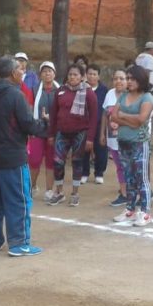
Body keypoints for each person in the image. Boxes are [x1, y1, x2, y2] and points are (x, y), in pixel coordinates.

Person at [0, 56, 49, 257]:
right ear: (12, 73)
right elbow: (27, 124)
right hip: (13, 158)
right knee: (19, 200)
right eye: (19, 69)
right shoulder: (15, 96)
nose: (22, 72)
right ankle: (19, 243)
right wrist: (44, 123)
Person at [47, 64, 98, 207]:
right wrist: (51, 134)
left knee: (77, 162)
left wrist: (90, 138)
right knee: (57, 162)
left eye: (76, 75)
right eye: (70, 74)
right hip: (61, 133)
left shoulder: (88, 93)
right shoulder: (60, 91)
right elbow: (53, 114)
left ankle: (75, 193)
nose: (72, 77)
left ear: (82, 77)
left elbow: (94, 117)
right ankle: (59, 192)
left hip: (80, 133)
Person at [111, 66, 153, 226]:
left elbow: (141, 120)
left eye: (132, 78)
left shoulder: (147, 97)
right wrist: (128, 119)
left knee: (141, 178)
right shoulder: (123, 96)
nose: (128, 81)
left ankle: (145, 212)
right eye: (127, 78)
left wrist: (123, 116)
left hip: (139, 143)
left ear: (140, 80)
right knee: (129, 178)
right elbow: (114, 116)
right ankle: (130, 209)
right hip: (123, 142)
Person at [31, 62, 59, 200]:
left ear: (54, 74)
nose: (47, 73)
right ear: (40, 75)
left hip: (54, 131)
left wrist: (51, 119)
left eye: (50, 71)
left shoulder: (61, 90)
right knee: (34, 160)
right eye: (44, 71)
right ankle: (32, 186)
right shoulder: (34, 90)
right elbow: (29, 108)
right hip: (37, 131)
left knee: (50, 161)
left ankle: (49, 190)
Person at [102, 69, 129, 206]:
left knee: (131, 166)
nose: (118, 81)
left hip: (129, 138)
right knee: (119, 166)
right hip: (112, 139)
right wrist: (102, 134)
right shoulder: (109, 94)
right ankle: (124, 194)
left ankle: (138, 191)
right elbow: (104, 115)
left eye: (122, 78)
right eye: (116, 78)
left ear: (127, 80)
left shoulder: (132, 95)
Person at [81, 64, 109, 185]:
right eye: (90, 74)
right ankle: (84, 173)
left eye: (94, 74)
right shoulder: (81, 88)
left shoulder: (104, 90)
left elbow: (106, 108)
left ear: (98, 76)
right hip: (83, 124)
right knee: (83, 149)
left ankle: (99, 173)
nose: (92, 76)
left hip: (99, 124)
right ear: (86, 75)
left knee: (101, 149)